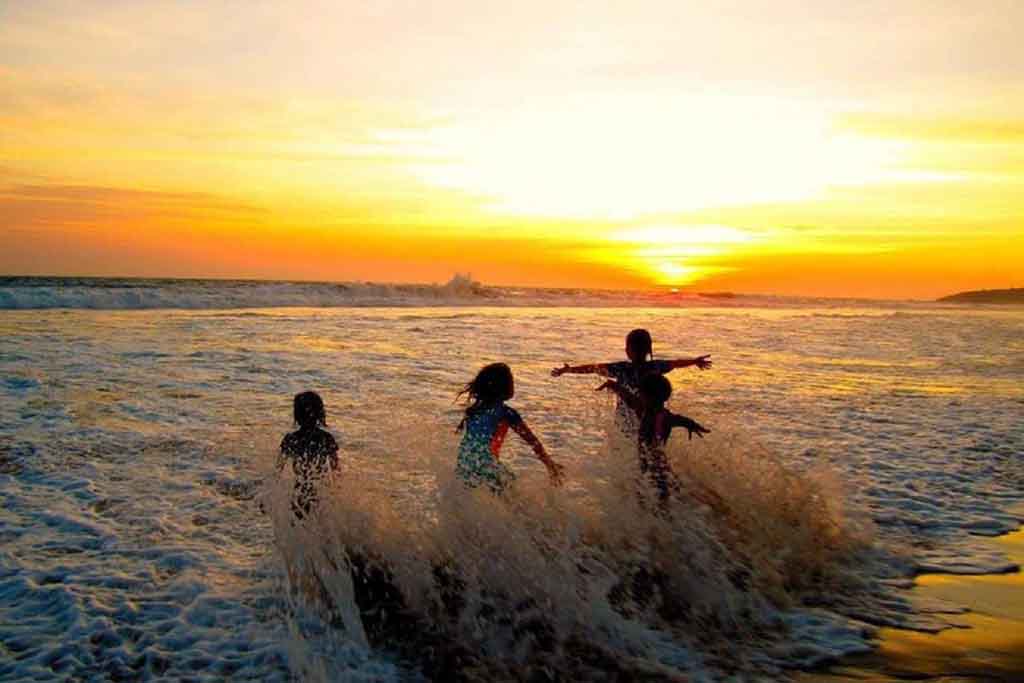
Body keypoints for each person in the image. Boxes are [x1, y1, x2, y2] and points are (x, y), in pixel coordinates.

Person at [551, 328, 711, 433]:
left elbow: (593, 368)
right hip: (654, 415)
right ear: (649, 350)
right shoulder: (656, 366)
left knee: (632, 446)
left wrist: (569, 370)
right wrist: (695, 361)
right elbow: (676, 363)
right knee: (652, 443)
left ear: (628, 350)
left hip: (626, 418)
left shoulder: (622, 368)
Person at [597, 373, 710, 503]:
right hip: (651, 466)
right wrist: (614, 386)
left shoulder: (660, 417)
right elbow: (629, 398)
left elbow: (679, 419)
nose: (638, 395)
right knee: (657, 495)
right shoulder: (646, 409)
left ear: (647, 396)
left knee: (660, 500)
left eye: (640, 393)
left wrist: (692, 425)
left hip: (656, 468)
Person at [456, 362, 564, 492]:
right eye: (511, 380)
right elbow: (532, 441)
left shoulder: (474, 410)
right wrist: (550, 465)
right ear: (503, 387)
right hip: (487, 464)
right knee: (513, 500)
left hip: (464, 464)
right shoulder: (506, 413)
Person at [278, 391, 339, 519]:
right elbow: (336, 472)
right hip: (321, 494)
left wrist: (268, 499)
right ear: (319, 414)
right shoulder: (326, 439)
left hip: (299, 493)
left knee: (297, 527)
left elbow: (277, 471)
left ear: (297, 415)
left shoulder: (291, 439)